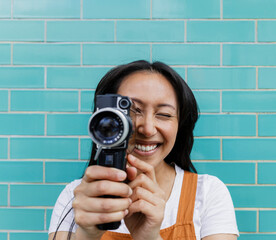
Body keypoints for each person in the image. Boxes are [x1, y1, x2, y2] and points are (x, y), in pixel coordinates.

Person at [48, 60, 239, 240]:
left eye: (164, 114)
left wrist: (150, 237)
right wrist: (87, 235)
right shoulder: (76, 197)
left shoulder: (208, 193)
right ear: (104, 119)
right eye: (132, 110)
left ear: (180, 125)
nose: (147, 129)